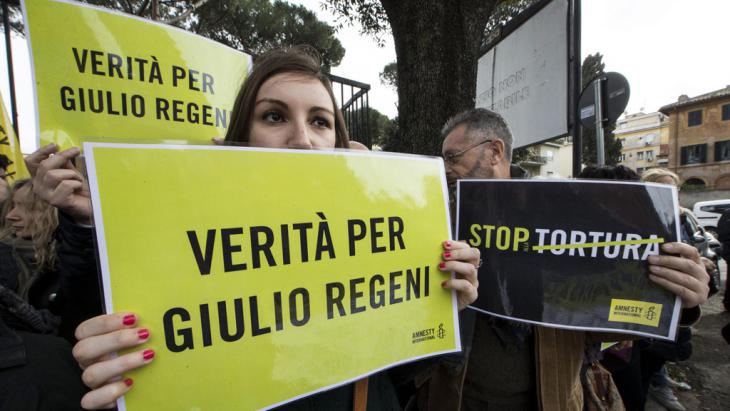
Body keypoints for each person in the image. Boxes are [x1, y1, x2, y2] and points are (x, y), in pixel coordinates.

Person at [30, 46, 480, 410]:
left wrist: (439, 307)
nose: (303, 140)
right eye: (274, 116)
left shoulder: (384, 239)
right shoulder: (183, 249)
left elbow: (396, 379)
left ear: (339, 143)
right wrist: (87, 230)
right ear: (239, 139)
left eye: (320, 122)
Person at [416, 108, 710, 411]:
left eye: (453, 157)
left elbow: (600, 319)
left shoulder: (567, 212)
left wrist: (675, 300)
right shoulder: (435, 220)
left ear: (494, 151)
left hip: (552, 399)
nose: (445, 169)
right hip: (455, 398)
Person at [0, 179, 99, 410]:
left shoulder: (69, 265)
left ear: (52, 213)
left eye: (27, 208)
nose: (11, 215)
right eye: (12, 205)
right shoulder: (7, 261)